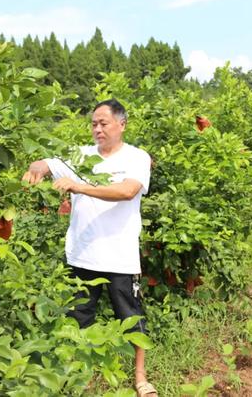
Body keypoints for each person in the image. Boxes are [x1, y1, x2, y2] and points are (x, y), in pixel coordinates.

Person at [22, 98, 157, 397]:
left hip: (119, 257)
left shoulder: (136, 157)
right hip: (82, 254)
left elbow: (127, 191)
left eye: (103, 123)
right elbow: (46, 162)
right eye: (94, 124)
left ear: (121, 124)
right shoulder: (80, 155)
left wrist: (79, 186)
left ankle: (140, 377)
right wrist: (38, 168)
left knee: (131, 316)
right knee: (79, 317)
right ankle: (77, 376)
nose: (97, 129)